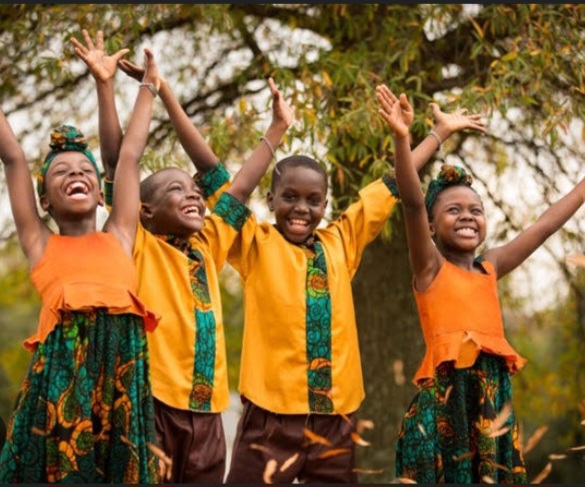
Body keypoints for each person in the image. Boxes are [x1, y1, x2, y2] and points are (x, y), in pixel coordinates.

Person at [190, 89, 485, 483]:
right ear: (271, 198)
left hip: (336, 418)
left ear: (326, 205)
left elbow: (396, 183)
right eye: (289, 197)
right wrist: (165, 93)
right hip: (271, 417)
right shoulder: (254, 242)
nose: (301, 208)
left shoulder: (341, 241)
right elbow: (220, 182)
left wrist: (437, 134)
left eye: (313, 200)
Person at [71, 29, 293, 483]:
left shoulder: (208, 245)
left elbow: (234, 181)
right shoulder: (138, 243)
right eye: (178, 191)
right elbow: (120, 164)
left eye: (194, 193)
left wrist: (276, 129)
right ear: (144, 210)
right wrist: (106, 85)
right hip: (153, 405)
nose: (194, 197)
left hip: (208, 412)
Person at [377, 82, 585, 483]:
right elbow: (411, 201)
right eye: (453, 210)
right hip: (446, 410)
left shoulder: (490, 266)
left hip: (490, 408)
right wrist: (401, 138)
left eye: (475, 210)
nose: (467, 215)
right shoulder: (429, 268)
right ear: (430, 226)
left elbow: (544, 227)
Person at [0, 46, 162, 482]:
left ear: (98, 190)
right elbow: (14, 157)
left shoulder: (120, 233)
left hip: (122, 372)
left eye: (85, 171)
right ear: (45, 201)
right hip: (63, 375)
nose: (77, 174)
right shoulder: (39, 242)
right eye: (61, 172)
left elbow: (129, 156)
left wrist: (147, 86)